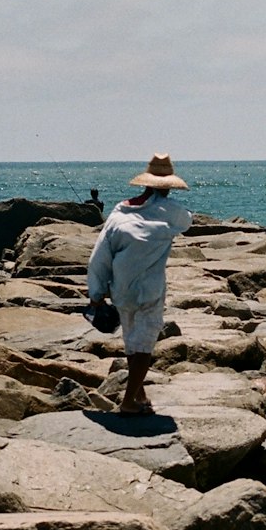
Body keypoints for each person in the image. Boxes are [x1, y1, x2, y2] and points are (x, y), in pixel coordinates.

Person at [86, 153, 192, 415]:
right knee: (144, 345)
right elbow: (187, 223)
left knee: (132, 342)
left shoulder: (120, 210)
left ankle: (140, 394)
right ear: (168, 185)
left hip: (120, 288)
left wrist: (96, 293)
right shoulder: (172, 211)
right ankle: (128, 402)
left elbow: (99, 255)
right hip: (149, 290)